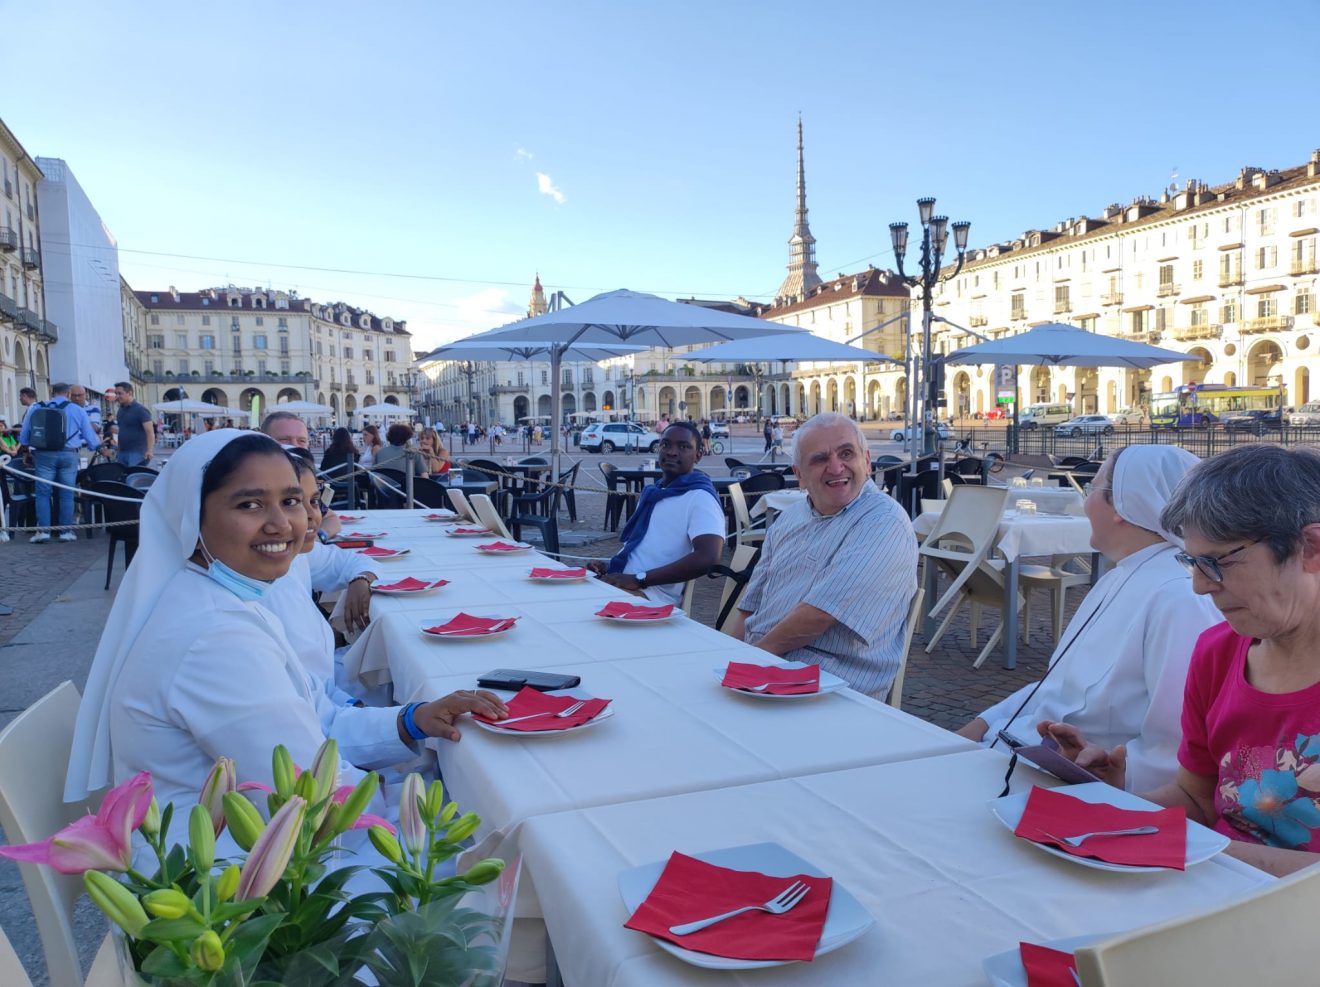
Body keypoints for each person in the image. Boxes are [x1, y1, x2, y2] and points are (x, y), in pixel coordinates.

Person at [63, 429, 508, 815]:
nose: (282, 524)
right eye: (250, 504)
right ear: (192, 517)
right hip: (231, 879)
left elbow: (318, 723)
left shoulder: (224, 597)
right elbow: (314, 795)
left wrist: (414, 720)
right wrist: (441, 809)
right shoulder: (215, 637)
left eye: (291, 501)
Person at [1043, 445, 1320, 876]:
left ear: (1310, 547)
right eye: (1191, 561)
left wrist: (1205, 852)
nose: (1199, 587)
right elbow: (1195, 799)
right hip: (1214, 891)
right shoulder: (1218, 653)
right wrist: (1116, 802)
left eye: (1216, 561)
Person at [956, 446, 1220, 791]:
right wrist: (981, 723)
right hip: (1013, 756)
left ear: (1124, 506)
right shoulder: (1120, 575)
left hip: (1061, 784)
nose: (1085, 502)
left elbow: (1172, 751)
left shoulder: (1180, 599)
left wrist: (1101, 774)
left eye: (1093, 489)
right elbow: (1055, 685)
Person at [725, 412, 917, 697]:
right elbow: (749, 607)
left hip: (828, 689)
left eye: (846, 453)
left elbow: (818, 616)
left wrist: (746, 664)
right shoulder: (789, 519)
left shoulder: (883, 521)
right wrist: (724, 657)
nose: (836, 467)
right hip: (767, 671)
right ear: (799, 475)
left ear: (866, 461)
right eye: (820, 459)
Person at [589, 421, 725, 606]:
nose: (671, 452)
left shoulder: (700, 498)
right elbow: (646, 550)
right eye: (666, 444)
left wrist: (639, 579)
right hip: (628, 585)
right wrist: (609, 567)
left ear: (698, 455)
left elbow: (709, 557)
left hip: (651, 597)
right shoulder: (654, 492)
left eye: (683, 446)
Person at [18, 382, 102, 543]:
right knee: (67, 493)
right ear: (69, 393)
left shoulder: (37, 408)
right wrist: (97, 447)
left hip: (44, 456)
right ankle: (65, 532)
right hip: (69, 455)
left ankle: (43, 532)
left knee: (43, 493)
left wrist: (28, 450)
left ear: (51, 392)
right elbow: (91, 438)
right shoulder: (77, 410)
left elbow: (24, 437)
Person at [261, 412, 341, 537]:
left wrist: (320, 535)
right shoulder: (255, 485)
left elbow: (330, 518)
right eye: (284, 440)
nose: (294, 445)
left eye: (301, 441)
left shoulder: (304, 482)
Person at [112, 381, 155, 467]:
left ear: (130, 393)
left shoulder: (141, 410)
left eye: (120, 393)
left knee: (134, 478)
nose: (117, 396)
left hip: (137, 453)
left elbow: (150, 432)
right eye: (116, 393)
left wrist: (149, 450)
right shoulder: (120, 410)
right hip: (122, 452)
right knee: (122, 478)